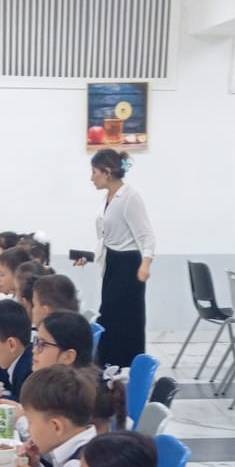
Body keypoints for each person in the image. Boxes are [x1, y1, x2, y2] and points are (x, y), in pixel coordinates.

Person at [76, 149, 155, 369]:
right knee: (111, 317)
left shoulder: (130, 197)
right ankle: (109, 365)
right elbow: (109, 238)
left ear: (107, 172)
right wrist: (89, 256)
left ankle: (124, 367)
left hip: (129, 266)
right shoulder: (108, 199)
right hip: (112, 262)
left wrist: (146, 263)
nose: (92, 178)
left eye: (95, 173)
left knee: (122, 318)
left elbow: (147, 235)